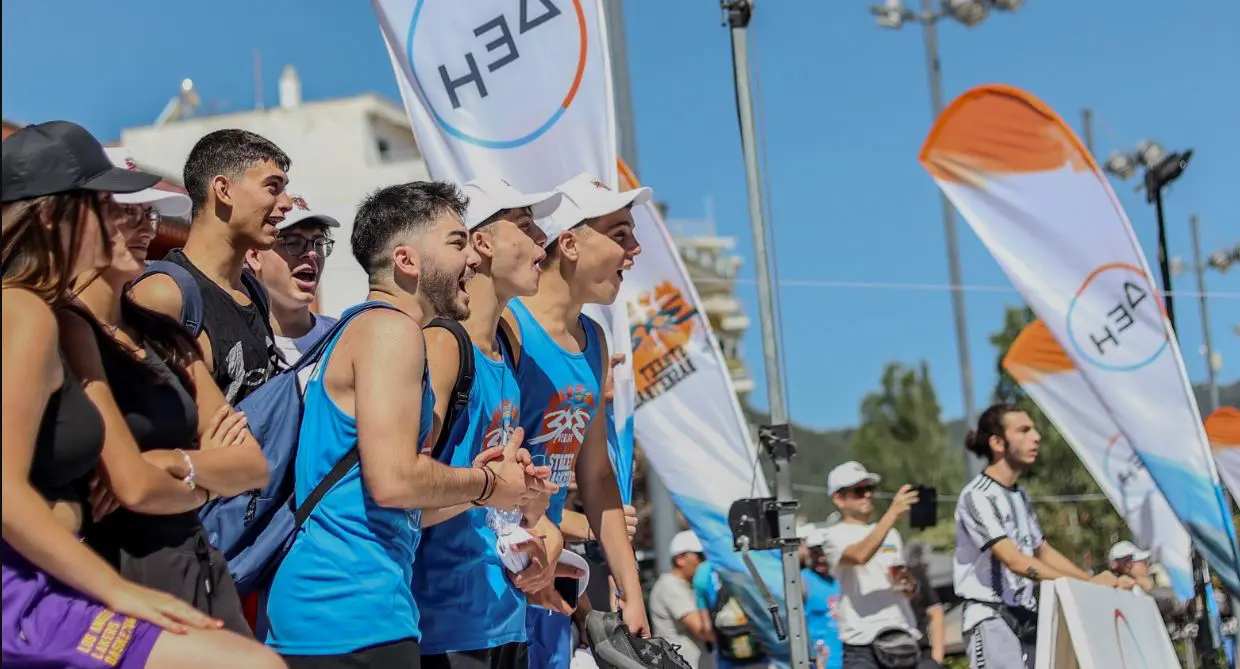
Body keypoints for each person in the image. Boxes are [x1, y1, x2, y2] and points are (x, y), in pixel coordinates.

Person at [1, 119, 283, 669]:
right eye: (107, 205)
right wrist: (117, 591)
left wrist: (166, 470)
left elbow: (252, 467)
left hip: (50, 582)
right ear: (59, 213)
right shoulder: (27, 314)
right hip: (24, 600)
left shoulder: (38, 313)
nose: (128, 223)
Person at [263, 180, 547, 668]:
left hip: (359, 613)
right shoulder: (391, 330)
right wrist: (485, 484)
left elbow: (396, 500)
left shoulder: (372, 328)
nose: (473, 260)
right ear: (407, 261)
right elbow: (394, 481)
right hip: (345, 616)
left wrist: (507, 490)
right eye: (458, 244)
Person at [63, 173, 268, 635]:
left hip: (196, 565)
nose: (146, 229)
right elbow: (133, 488)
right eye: (127, 213)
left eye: (149, 214)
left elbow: (254, 465)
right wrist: (206, 474)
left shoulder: (163, 335)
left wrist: (170, 462)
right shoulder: (65, 329)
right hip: (116, 572)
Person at [414, 177, 567, 667]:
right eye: (525, 225)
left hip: (503, 612)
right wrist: (489, 488)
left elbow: (503, 499)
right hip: (443, 621)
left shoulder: (504, 345)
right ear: (481, 243)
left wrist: (533, 514)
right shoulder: (442, 345)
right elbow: (405, 488)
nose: (541, 239)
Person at [502, 173, 650, 668]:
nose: (635, 251)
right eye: (620, 235)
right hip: (502, 572)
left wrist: (631, 593)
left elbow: (598, 476)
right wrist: (569, 527)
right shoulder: (509, 326)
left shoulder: (595, 339)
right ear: (568, 243)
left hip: (552, 573)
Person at [956, 403, 1135, 669]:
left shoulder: (1019, 494)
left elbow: (1041, 549)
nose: (1036, 436)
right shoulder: (977, 496)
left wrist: (1091, 581)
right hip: (991, 617)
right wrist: (1091, 585)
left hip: (1027, 616)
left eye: (1034, 429)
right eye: (1024, 430)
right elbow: (1015, 561)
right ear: (997, 442)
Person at [132, 129, 291, 404]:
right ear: (223, 190)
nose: (287, 203)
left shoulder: (255, 291)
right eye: (273, 186)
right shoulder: (164, 295)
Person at [820, 461, 924, 669]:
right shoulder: (833, 536)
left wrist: (909, 585)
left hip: (901, 634)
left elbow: (902, 582)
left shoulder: (890, 534)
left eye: (869, 488)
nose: (867, 494)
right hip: (862, 642)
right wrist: (892, 514)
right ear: (839, 499)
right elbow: (860, 555)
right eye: (858, 491)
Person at [244, 192, 339, 367]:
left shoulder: (345, 339)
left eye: (318, 243)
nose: (311, 253)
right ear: (255, 255)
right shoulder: (232, 347)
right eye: (293, 242)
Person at [649, 531, 713, 668]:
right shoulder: (670, 585)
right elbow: (701, 630)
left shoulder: (689, 585)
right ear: (680, 559)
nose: (705, 561)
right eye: (700, 556)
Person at [693, 559, 768, 669]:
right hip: (763, 654)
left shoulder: (702, 572)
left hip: (726, 657)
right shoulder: (754, 560)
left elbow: (707, 628)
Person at [802, 530, 843, 669]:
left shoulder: (840, 578)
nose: (821, 559)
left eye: (824, 554)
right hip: (820, 660)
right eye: (816, 553)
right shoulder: (802, 580)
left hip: (847, 657)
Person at [904, 543, 944, 668]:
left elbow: (935, 610)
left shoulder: (911, 570)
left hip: (920, 652)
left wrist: (937, 658)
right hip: (879, 653)